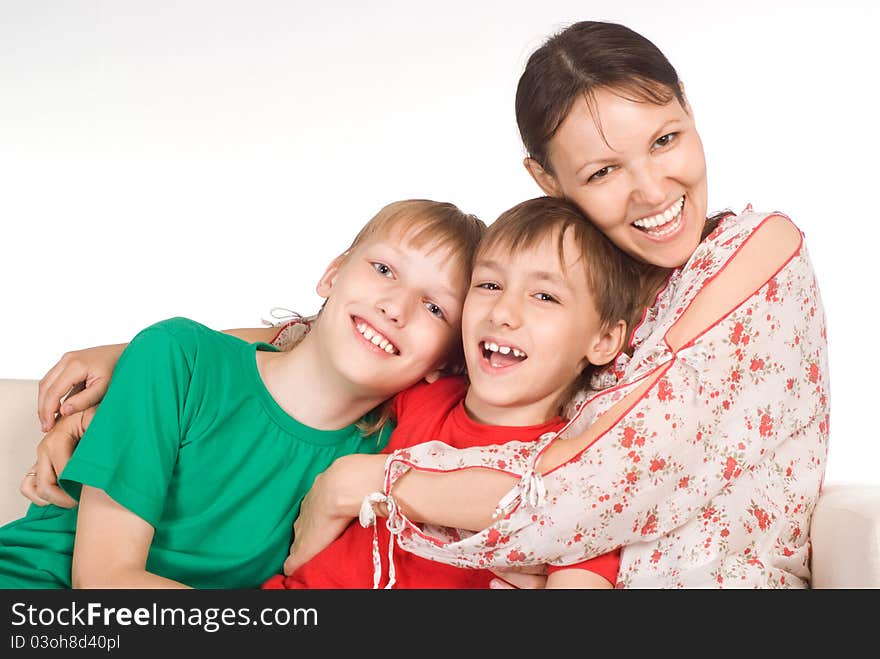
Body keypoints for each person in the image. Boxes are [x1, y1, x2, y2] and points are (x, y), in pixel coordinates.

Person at [281, 21, 830, 589]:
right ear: (548, 180)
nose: (652, 190)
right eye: (603, 172)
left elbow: (598, 483)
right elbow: (399, 332)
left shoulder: (760, 251)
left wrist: (370, 482)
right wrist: (222, 348)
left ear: (688, 107)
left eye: (665, 139)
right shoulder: (564, 297)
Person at [0, 199, 485, 588]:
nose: (395, 307)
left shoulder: (384, 454)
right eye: (383, 269)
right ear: (332, 275)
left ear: (445, 361)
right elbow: (104, 580)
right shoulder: (179, 358)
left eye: (434, 307)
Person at [262, 195, 638, 589]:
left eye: (545, 296)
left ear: (605, 339)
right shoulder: (423, 392)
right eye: (489, 285)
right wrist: (205, 349)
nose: (502, 312)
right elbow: (322, 349)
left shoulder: (575, 476)